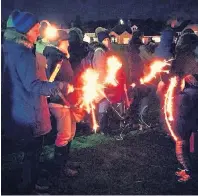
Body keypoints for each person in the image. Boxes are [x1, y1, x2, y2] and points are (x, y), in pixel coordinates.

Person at [2, 10, 69, 194]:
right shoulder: (23, 53)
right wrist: (59, 86)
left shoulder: (8, 49)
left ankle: (30, 182)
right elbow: (33, 85)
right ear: (23, 32)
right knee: (33, 153)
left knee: (29, 153)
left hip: (18, 110)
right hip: (29, 112)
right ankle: (28, 188)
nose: (37, 33)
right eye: (34, 30)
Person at [170, 28, 198, 182]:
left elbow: (172, 78)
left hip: (186, 102)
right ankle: (188, 168)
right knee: (190, 134)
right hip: (193, 101)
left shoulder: (181, 59)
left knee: (181, 137)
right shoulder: (194, 57)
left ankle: (189, 170)